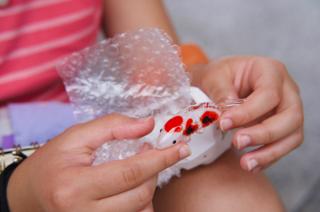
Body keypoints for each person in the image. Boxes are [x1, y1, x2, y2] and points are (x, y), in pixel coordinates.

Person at [0, 0, 303, 211]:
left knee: (226, 195)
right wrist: (18, 193)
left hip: (87, 148)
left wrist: (204, 84)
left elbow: (158, 84)